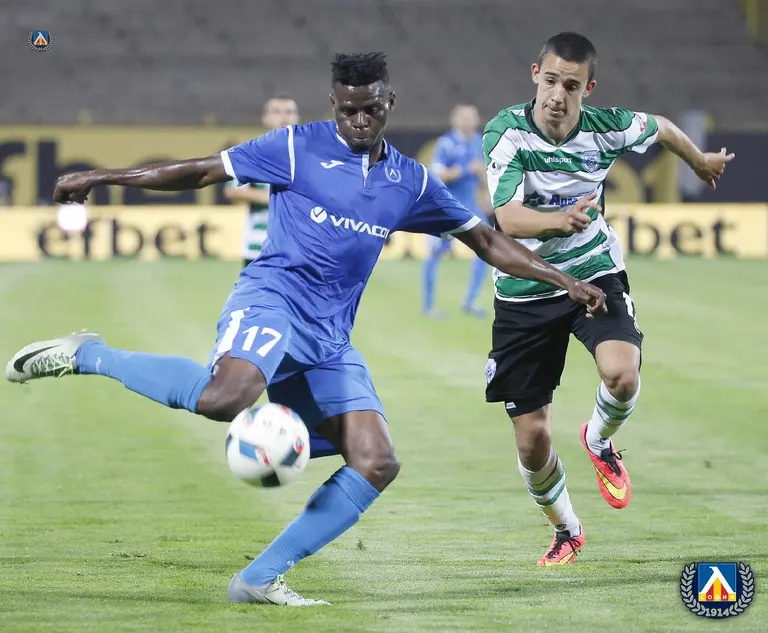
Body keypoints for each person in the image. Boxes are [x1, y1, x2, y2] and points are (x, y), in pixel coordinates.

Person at [6, 52, 606, 606]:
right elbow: (200, 171)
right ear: (334, 105)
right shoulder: (296, 147)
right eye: (347, 110)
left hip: (328, 338)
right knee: (224, 398)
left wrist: (562, 279)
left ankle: (258, 579)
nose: (359, 121)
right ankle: (90, 354)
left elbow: (487, 241)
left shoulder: (411, 183)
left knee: (375, 460)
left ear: (390, 103)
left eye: (370, 109)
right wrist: (104, 177)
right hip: (272, 300)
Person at [482, 32, 734, 566]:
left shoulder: (606, 127)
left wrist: (698, 162)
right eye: (551, 81)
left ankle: (598, 440)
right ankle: (567, 529)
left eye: (571, 86)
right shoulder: (506, 131)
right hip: (526, 288)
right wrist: (560, 219)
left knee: (623, 373)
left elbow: (661, 126)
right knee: (531, 441)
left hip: (593, 272)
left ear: (588, 89)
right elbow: (507, 218)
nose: (557, 95)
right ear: (535, 74)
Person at [424, 104, 491, 318]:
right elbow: (438, 174)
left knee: (487, 248)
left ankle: (471, 301)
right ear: (455, 121)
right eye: (465, 118)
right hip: (448, 205)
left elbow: (481, 170)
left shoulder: (478, 141)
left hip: (471, 205)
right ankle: (429, 306)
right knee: (436, 252)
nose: (470, 122)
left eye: (472, 118)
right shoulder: (447, 143)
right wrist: (463, 170)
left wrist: (486, 192)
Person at [223, 95, 300, 268]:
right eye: (277, 112)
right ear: (265, 118)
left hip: (299, 247)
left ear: (297, 118)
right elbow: (232, 190)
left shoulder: (308, 154)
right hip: (259, 245)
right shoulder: (253, 152)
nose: (284, 117)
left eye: (289, 112)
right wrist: (278, 198)